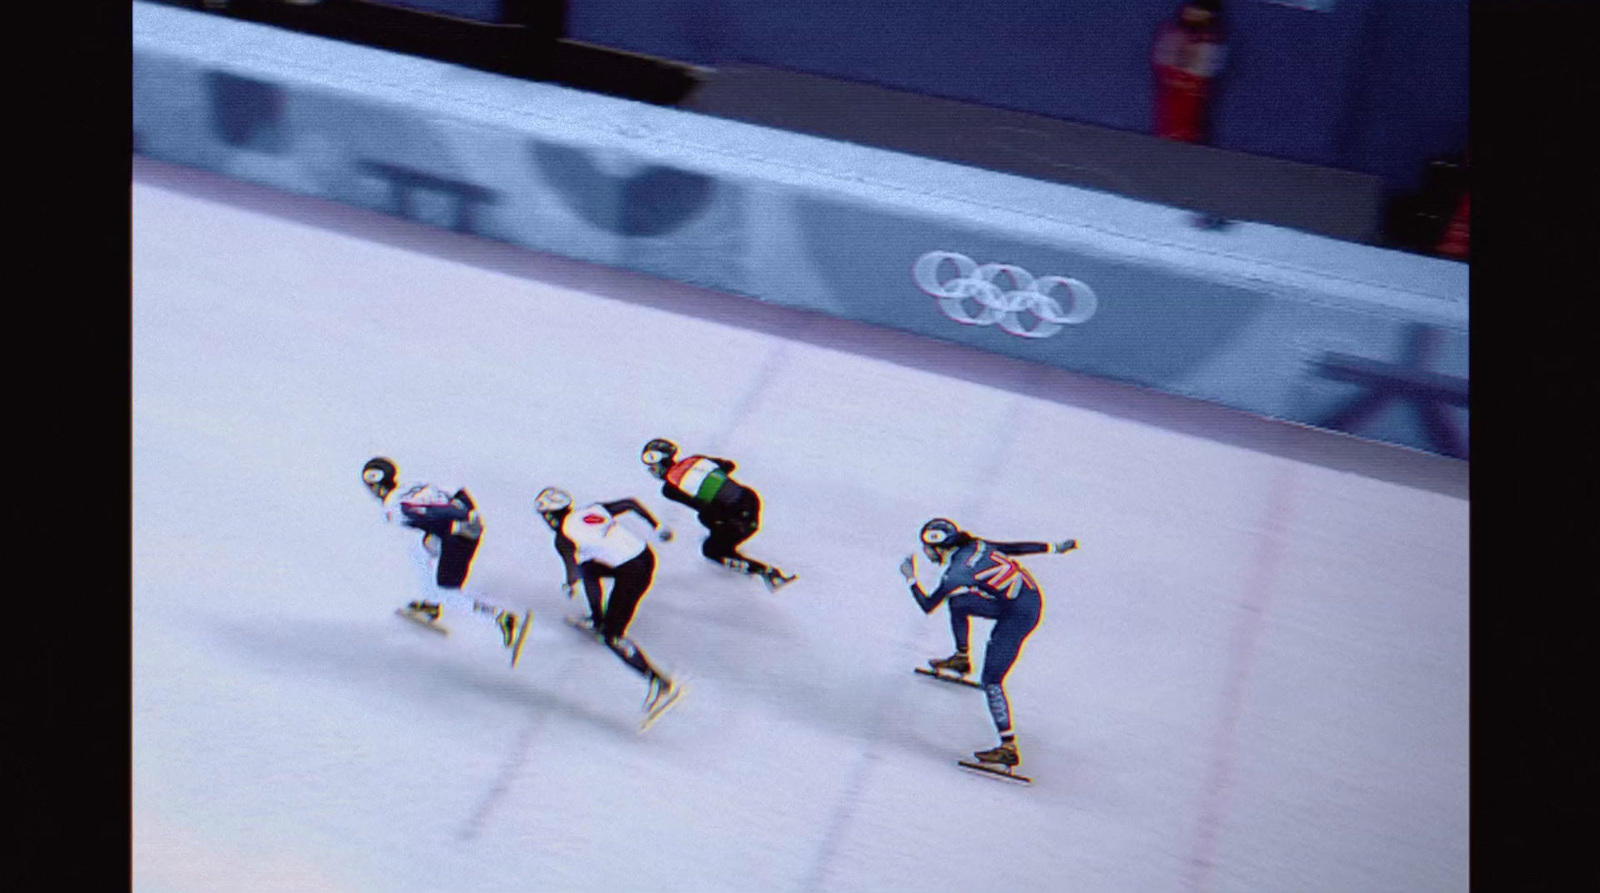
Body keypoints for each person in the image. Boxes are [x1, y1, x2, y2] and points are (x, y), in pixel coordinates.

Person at [899, 518, 1078, 771]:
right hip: (1022, 599)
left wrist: (910, 579)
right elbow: (1013, 548)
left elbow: (928, 605)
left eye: (927, 549)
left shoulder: (957, 572)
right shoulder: (976, 545)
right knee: (958, 602)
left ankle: (1008, 747)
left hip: (1018, 615)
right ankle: (962, 658)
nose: (927, 554)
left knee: (992, 680)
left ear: (938, 547)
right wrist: (1053, 547)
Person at [534, 486, 683, 720]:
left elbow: (574, 572)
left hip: (631, 573)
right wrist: (657, 526)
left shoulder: (563, 537)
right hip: (645, 555)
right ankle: (598, 620)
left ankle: (657, 681)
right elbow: (630, 503)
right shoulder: (592, 510)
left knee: (612, 636)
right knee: (590, 570)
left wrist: (569, 584)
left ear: (550, 516)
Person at [360, 457, 521, 649]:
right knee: (419, 550)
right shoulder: (415, 485)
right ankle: (431, 604)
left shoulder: (393, 508)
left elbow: (430, 515)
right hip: (464, 527)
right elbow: (459, 493)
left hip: (457, 533)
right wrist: (470, 515)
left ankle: (500, 616)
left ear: (375, 485)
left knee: (447, 591)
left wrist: (454, 524)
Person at [640, 438, 795, 591]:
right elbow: (729, 465)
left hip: (738, 517)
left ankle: (765, 572)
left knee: (711, 550)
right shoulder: (695, 459)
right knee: (715, 528)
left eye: (653, 466)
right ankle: (734, 553)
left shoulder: (669, 488)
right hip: (750, 499)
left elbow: (703, 507)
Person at [1151, 0, 1228, 144]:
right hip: (1173, 90)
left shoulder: (1211, 41)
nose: (1191, 13)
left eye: (1198, 12)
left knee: (1186, 123)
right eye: (1191, 10)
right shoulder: (1173, 32)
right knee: (1168, 123)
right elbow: (1163, 61)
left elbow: (1203, 73)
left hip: (1191, 92)